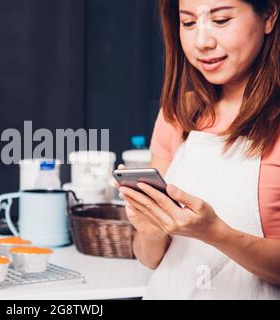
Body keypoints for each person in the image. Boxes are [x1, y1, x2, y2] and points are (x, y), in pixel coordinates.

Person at [118, 0, 280, 299]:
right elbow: (149, 257)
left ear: (269, 15)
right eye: (189, 23)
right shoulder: (178, 114)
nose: (201, 42)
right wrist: (151, 230)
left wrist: (216, 234)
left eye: (220, 20)